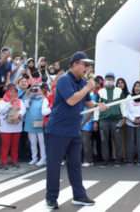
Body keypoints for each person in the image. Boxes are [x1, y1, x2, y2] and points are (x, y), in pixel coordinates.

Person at [44, 52, 108, 209]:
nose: (87, 68)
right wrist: (88, 87)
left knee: (75, 165)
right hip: (57, 130)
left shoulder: (84, 82)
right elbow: (72, 100)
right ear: (74, 64)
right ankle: (51, 198)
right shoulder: (64, 80)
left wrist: (98, 105)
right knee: (54, 165)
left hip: (74, 130)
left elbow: (87, 102)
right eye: (84, 65)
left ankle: (79, 195)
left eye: (88, 65)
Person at [93, 72, 127, 168]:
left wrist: (124, 117)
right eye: (107, 78)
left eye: (111, 78)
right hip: (103, 120)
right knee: (104, 140)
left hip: (116, 120)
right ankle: (106, 159)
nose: (109, 80)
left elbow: (123, 105)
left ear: (114, 80)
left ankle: (118, 159)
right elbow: (96, 108)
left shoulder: (119, 91)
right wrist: (95, 121)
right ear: (105, 80)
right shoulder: (100, 92)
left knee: (117, 140)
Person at [0, 84, 26, 169]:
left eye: (14, 91)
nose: (13, 93)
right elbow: (1, 110)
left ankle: (14, 160)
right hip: (6, 128)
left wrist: (18, 115)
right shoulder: (2, 101)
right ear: (8, 92)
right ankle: (4, 162)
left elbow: (23, 110)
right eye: (11, 91)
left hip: (16, 127)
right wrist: (10, 103)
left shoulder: (19, 101)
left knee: (15, 145)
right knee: (5, 145)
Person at [125, 81, 140, 166]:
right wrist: (133, 119)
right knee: (130, 141)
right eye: (136, 86)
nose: (137, 88)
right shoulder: (129, 97)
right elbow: (126, 110)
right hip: (130, 122)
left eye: (139, 86)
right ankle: (130, 159)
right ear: (133, 88)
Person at [24, 85, 46, 166]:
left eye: (36, 89)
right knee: (32, 142)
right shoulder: (29, 98)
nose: (34, 91)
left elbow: (46, 104)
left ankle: (43, 158)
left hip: (40, 122)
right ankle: (34, 158)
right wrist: (27, 95)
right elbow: (25, 106)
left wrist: (42, 94)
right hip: (30, 123)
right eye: (33, 89)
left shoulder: (42, 99)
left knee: (41, 142)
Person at [81, 87, 96, 167]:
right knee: (80, 142)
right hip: (79, 122)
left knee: (86, 142)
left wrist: (83, 122)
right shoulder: (81, 96)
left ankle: (88, 160)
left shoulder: (93, 97)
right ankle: (82, 159)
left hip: (87, 123)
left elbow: (90, 112)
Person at [117, 78, 129, 161]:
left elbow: (128, 108)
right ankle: (116, 156)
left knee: (125, 138)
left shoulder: (128, 95)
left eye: (122, 83)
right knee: (117, 138)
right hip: (116, 119)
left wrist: (124, 118)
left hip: (126, 119)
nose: (120, 84)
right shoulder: (114, 95)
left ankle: (125, 156)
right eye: (119, 83)